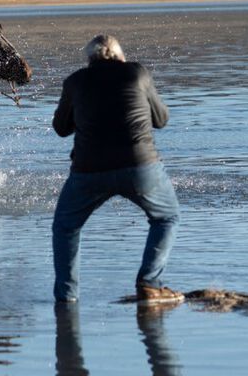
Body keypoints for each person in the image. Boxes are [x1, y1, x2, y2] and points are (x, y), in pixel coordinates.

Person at [51, 35, 182, 305]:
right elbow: (162, 119)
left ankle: (66, 297)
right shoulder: (137, 73)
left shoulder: (76, 81)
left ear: (89, 60)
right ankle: (149, 283)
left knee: (65, 227)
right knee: (166, 217)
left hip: (88, 169)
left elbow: (61, 128)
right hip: (140, 166)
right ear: (121, 56)